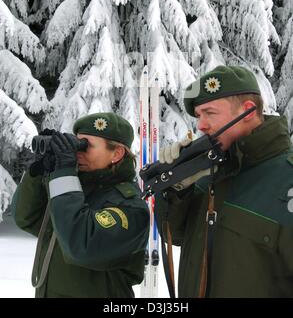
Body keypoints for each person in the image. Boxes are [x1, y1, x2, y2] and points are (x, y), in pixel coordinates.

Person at [155, 65, 293, 298]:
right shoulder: (208, 173)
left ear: (248, 111)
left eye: (209, 113)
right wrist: (177, 187)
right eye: (198, 116)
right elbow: (176, 234)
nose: (200, 125)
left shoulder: (286, 179)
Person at [12, 112, 149, 298]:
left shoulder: (130, 207)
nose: (77, 152)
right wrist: (39, 173)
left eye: (86, 146)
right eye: (76, 143)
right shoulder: (73, 192)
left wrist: (65, 173)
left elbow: (81, 246)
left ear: (116, 154)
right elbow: (26, 218)